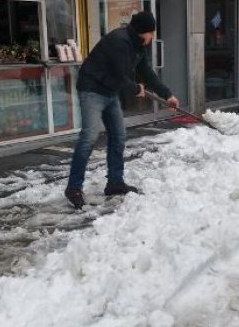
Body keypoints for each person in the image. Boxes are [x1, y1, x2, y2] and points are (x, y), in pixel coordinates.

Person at [64, 11, 180, 209]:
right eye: (151, 33)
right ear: (142, 32)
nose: (153, 37)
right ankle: (74, 188)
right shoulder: (119, 41)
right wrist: (135, 89)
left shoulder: (138, 46)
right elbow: (120, 75)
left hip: (110, 91)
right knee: (89, 137)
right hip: (92, 88)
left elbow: (146, 73)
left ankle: (115, 183)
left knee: (118, 135)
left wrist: (167, 95)